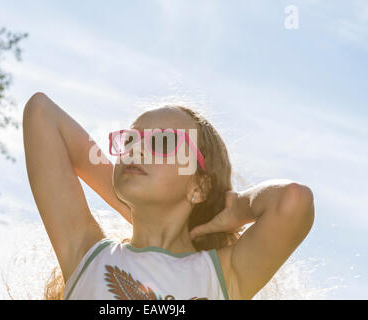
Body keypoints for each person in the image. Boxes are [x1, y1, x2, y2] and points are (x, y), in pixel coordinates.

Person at [22, 92, 315, 300]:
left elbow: (293, 200)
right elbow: (41, 112)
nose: (135, 149)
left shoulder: (224, 275)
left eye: (163, 142)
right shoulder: (87, 255)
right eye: (130, 141)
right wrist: (130, 203)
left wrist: (237, 208)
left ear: (198, 187)